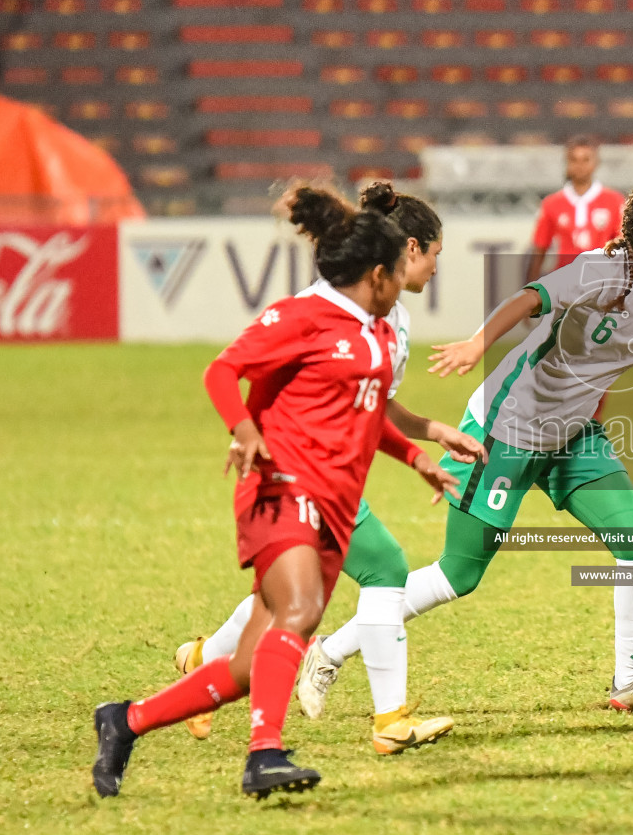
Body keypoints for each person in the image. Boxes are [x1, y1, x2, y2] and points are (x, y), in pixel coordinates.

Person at [299, 179, 633, 719]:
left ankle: (629, 681)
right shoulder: (599, 271)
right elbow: (529, 298)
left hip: (573, 434)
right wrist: (476, 344)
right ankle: (328, 652)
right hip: (507, 428)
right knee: (458, 575)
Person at [90, 183, 484, 799]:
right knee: (300, 614)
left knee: (250, 666)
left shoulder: (378, 331)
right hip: (281, 486)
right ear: (379, 273)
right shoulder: (304, 316)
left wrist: (418, 457)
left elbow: (368, 410)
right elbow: (222, 371)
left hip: (336, 498)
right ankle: (264, 754)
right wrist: (245, 431)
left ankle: (126, 720)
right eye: (406, 267)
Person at [174, 188, 470, 756]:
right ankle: (388, 719)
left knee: (277, 598)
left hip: (337, 468)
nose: (437, 267)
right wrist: (244, 428)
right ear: (407, 249)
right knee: (384, 566)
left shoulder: (387, 319)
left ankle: (205, 660)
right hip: (303, 469)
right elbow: (239, 374)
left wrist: (429, 436)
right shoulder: (327, 310)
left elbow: (370, 403)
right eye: (435, 253)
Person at [524, 134, 625, 284]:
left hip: (603, 283)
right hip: (565, 282)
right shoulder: (552, 203)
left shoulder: (614, 201)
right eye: (574, 160)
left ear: (596, 162)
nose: (580, 165)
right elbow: (540, 249)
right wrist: (530, 290)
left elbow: (624, 246)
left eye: (586, 159)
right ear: (567, 163)